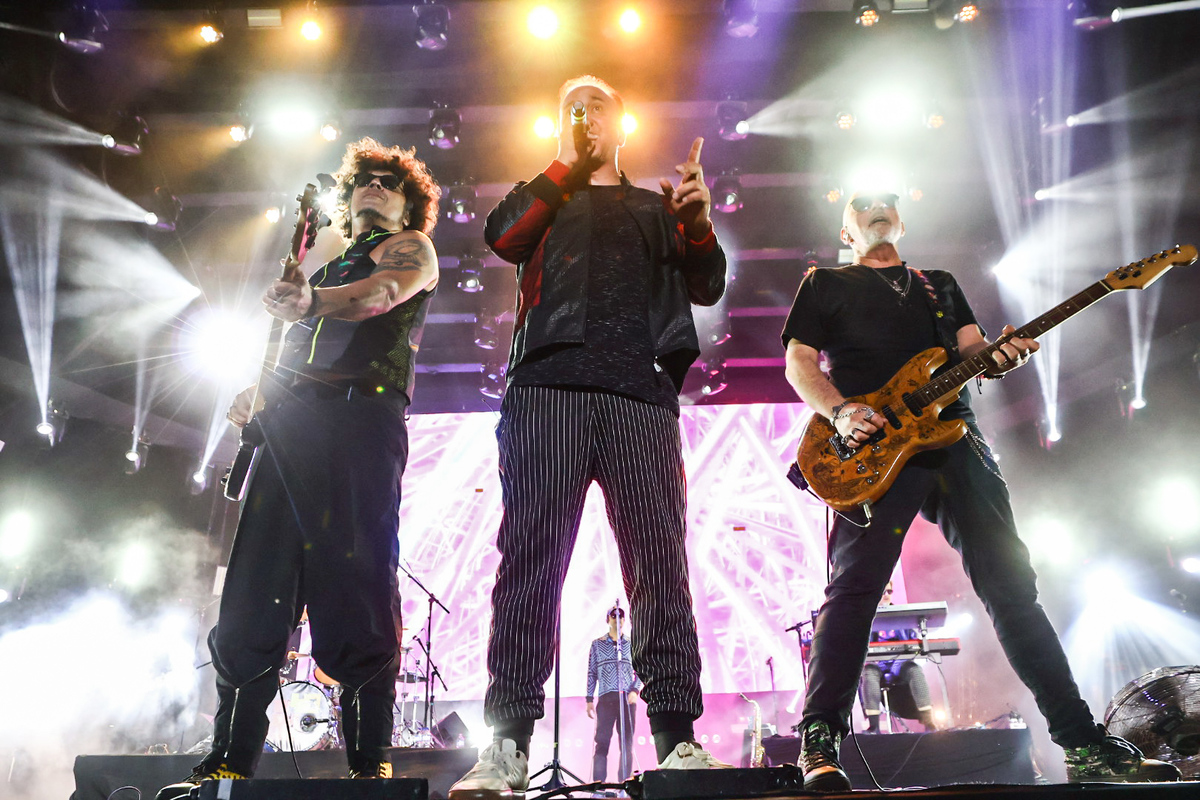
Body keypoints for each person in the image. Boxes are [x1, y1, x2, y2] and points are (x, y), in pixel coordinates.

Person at [781, 190, 1181, 791]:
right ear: (847, 231)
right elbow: (799, 362)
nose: (877, 204)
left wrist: (1002, 356)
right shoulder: (825, 283)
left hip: (955, 438)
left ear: (902, 221)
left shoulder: (938, 284)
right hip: (869, 449)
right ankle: (819, 743)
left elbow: (974, 353)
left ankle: (1082, 743)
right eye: (862, 202)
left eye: (888, 200)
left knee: (1012, 588)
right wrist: (840, 412)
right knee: (855, 590)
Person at [449, 74, 729, 800]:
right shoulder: (545, 198)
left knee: (659, 566)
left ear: (623, 125)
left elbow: (707, 285)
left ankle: (677, 740)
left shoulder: (656, 207)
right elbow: (501, 236)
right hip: (547, 390)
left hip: (641, 395)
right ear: (559, 127)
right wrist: (565, 166)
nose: (586, 113)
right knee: (530, 565)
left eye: (598, 105)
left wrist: (698, 224)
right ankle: (507, 745)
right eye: (573, 108)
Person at [157, 138, 440, 798]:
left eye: (389, 181)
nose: (374, 186)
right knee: (255, 590)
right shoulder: (321, 270)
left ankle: (368, 765)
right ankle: (229, 759)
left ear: (409, 205)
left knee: (357, 584)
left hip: (359, 424)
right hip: (290, 431)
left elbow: (380, 296)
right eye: (364, 180)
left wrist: (310, 303)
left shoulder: (410, 250)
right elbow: (298, 356)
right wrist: (260, 395)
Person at [858, 583, 936, 734]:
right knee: (869, 672)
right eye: (883, 591)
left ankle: (929, 723)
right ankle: (874, 726)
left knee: (915, 670)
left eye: (889, 591)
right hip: (877, 664)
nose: (886, 595)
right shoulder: (866, 615)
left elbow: (913, 641)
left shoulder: (902, 614)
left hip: (900, 663)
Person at [586, 606, 642, 783]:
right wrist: (589, 699)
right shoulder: (597, 644)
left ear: (624, 620)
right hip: (606, 698)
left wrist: (635, 690)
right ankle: (598, 785)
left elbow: (641, 670)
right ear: (607, 619)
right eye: (613, 616)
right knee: (602, 743)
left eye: (621, 616)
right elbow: (591, 673)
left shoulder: (632, 643)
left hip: (627, 699)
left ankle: (625, 784)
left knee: (626, 744)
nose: (617, 619)